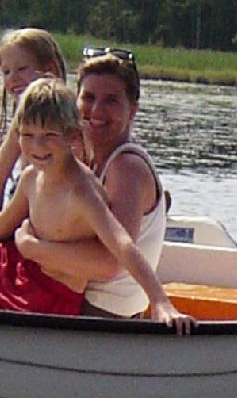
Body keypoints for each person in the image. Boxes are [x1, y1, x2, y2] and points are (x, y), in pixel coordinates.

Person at [0, 78, 194, 333]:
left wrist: (159, 300)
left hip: (44, 298)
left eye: (48, 136)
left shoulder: (82, 190)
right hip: (16, 269)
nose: (37, 147)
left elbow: (123, 244)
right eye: (28, 136)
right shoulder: (30, 178)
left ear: (72, 137)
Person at [13, 47, 166, 319]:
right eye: (89, 97)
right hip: (72, 291)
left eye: (111, 100)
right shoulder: (86, 158)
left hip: (101, 313)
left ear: (132, 110)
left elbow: (110, 263)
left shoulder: (125, 168)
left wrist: (32, 248)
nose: (96, 110)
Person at [0, 28, 70, 218]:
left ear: (50, 70)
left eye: (22, 69)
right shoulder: (22, 118)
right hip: (28, 219)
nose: (12, 78)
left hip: (44, 222)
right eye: (6, 72)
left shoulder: (68, 118)